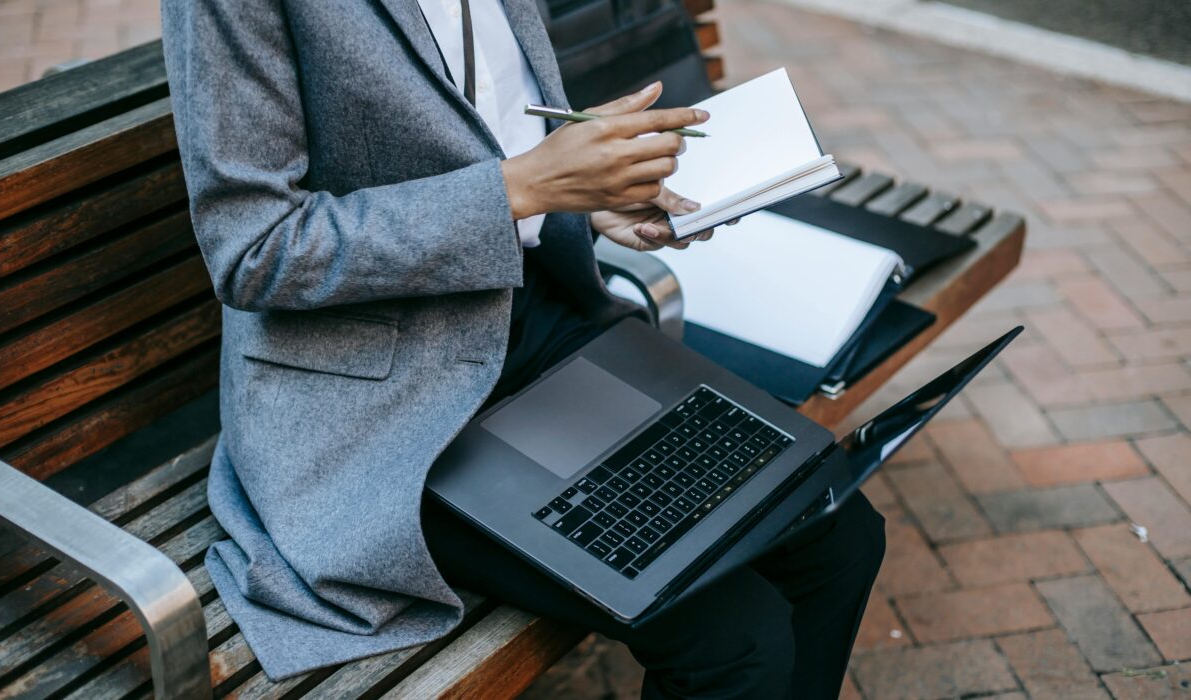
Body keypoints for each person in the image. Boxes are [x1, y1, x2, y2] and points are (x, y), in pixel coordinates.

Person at [161, 0, 885, 696]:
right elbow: (254, 247)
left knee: (843, 535)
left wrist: (583, 200)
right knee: (738, 644)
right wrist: (523, 187)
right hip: (379, 398)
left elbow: (489, 131)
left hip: (533, 316)